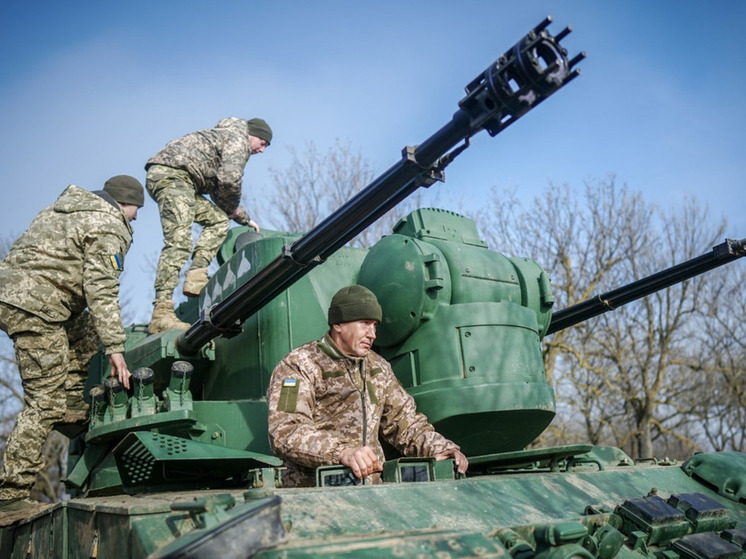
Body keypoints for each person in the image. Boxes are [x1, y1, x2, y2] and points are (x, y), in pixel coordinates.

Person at [0, 175, 143, 525]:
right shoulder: (109, 225)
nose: (136, 218)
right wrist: (116, 349)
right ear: (126, 203)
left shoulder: (64, 210)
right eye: (136, 209)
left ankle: (71, 406)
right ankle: (8, 496)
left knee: (84, 328)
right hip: (37, 306)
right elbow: (102, 289)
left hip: (24, 296)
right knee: (43, 402)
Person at [267, 285, 468, 487]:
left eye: (374, 326)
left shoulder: (378, 367)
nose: (372, 334)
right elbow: (285, 431)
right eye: (364, 324)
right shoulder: (299, 365)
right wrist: (342, 453)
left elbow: (405, 422)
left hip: (371, 492)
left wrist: (440, 447)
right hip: (317, 492)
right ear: (338, 324)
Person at [145, 117, 272, 334]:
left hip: (182, 180)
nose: (262, 151)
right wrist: (234, 208)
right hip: (172, 176)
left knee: (218, 220)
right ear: (253, 135)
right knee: (179, 240)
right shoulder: (237, 140)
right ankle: (161, 311)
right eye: (262, 144)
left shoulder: (225, 140)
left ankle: (196, 276)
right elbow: (229, 180)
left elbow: (220, 190)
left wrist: (241, 217)